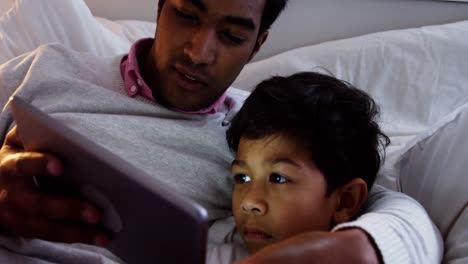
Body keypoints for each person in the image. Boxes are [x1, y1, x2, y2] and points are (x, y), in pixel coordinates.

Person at [0, 0, 441, 263]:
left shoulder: (265, 131)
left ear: (258, 44)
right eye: (187, 15)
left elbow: (388, 203)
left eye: (231, 35)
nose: (198, 52)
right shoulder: (47, 69)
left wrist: (369, 248)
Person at [206, 71, 391, 263]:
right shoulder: (219, 254)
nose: (250, 202)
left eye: (278, 178)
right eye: (242, 178)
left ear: (345, 200)